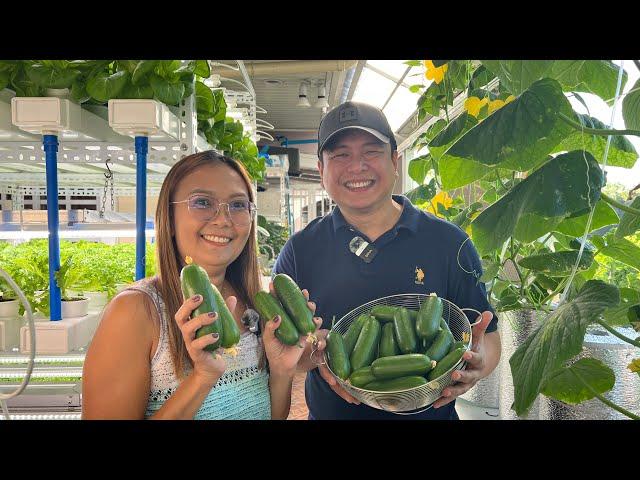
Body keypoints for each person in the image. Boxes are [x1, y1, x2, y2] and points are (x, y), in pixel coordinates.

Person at [273, 101, 501, 420]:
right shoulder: (299, 251)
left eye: (371, 151)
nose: (357, 166)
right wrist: (314, 353)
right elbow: (285, 354)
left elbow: (488, 337)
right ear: (322, 170)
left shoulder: (450, 243)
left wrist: (478, 365)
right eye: (341, 155)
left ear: (394, 161)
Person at [82, 150, 318, 419]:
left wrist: (282, 370)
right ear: (169, 219)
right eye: (203, 202)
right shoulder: (135, 311)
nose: (222, 219)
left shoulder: (255, 306)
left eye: (238, 205)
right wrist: (202, 377)